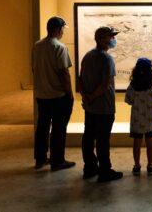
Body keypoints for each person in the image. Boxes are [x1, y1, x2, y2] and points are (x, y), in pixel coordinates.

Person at [78, 26, 123, 182]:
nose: (113, 40)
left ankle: (89, 167)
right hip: (104, 107)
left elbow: (80, 80)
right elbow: (105, 84)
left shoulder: (87, 56)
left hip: (90, 107)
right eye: (111, 37)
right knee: (103, 140)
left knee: (89, 137)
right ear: (102, 39)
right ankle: (105, 171)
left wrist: (86, 97)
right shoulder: (107, 59)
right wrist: (92, 97)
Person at [32, 16, 75, 171]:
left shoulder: (37, 46)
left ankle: (40, 159)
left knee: (42, 127)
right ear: (58, 29)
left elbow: (34, 68)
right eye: (63, 29)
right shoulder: (60, 47)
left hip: (41, 95)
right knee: (58, 128)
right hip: (58, 96)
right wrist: (70, 94)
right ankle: (58, 161)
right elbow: (64, 73)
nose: (63, 32)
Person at [125, 57, 152, 176]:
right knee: (150, 141)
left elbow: (128, 100)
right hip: (149, 119)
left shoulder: (132, 86)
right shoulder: (151, 86)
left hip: (136, 119)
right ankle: (150, 165)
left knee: (137, 142)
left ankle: (137, 165)